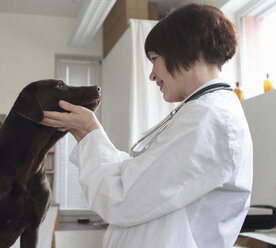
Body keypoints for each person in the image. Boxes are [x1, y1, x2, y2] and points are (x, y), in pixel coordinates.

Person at [41, 3, 253, 248]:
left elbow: (123, 199)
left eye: (154, 59)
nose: (152, 75)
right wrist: (88, 133)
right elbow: (136, 178)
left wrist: (90, 132)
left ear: (185, 50)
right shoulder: (201, 113)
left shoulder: (208, 118)